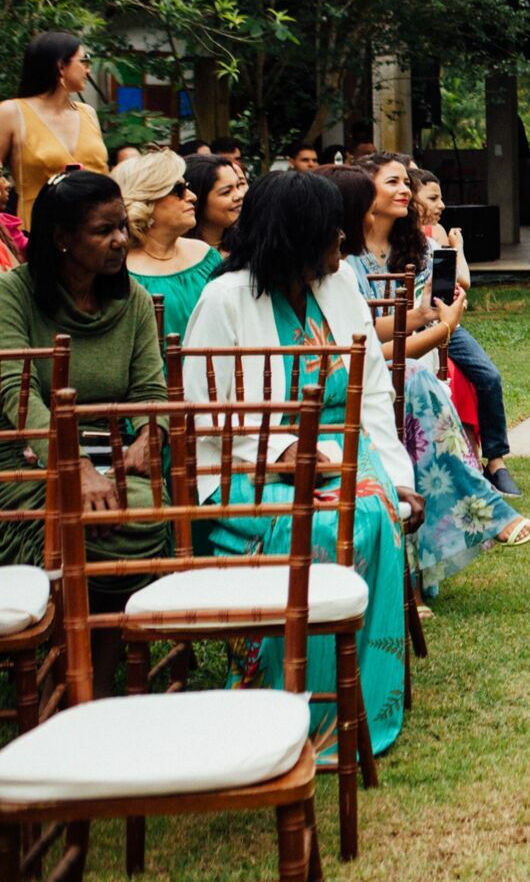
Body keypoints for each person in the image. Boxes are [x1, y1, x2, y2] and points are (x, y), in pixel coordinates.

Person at [183, 169, 415, 753]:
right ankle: (282, 695)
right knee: (317, 523)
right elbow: (204, 415)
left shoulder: (337, 290)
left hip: (346, 454)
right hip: (247, 469)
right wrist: (289, 452)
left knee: (369, 514)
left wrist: (399, 474)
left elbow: (376, 395)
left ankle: (355, 703)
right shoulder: (224, 301)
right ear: (295, 238)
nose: (345, 244)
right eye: (331, 234)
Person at [324, 162, 530, 594]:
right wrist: (438, 328)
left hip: (398, 356)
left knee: (473, 376)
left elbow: (367, 335)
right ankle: (482, 506)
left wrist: (426, 315)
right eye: (391, 184)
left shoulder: (408, 245)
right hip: (362, 381)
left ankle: (491, 471)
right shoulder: (340, 269)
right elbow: (369, 357)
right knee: (417, 380)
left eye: (408, 183)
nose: (408, 191)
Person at [0, 172, 171, 696]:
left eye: (123, 225)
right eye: (104, 230)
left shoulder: (133, 300)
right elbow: (16, 391)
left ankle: (95, 668)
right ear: (60, 238)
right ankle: (80, 669)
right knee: (84, 519)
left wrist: (150, 435)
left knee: (136, 516)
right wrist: (71, 464)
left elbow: (152, 392)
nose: (121, 239)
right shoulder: (13, 294)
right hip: (24, 456)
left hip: (110, 456)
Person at [410, 165, 516, 495]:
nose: (441, 204)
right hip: (415, 327)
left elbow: (463, 281)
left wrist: (458, 248)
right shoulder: (401, 242)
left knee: (489, 376)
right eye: (433, 198)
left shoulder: (436, 236)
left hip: (444, 324)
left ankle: (495, 461)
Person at [0, 32, 109, 230]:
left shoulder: (88, 113)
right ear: (61, 66)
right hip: (37, 234)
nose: (88, 70)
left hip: (95, 233)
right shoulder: (11, 112)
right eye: (84, 61)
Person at [114, 149, 221, 341]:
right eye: (179, 190)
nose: (192, 196)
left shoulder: (206, 256)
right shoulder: (116, 268)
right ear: (147, 199)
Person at [183, 152, 246, 253]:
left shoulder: (250, 245)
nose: (239, 195)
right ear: (196, 197)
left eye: (238, 186)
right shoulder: (181, 255)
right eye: (226, 192)